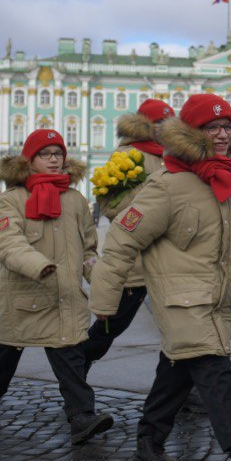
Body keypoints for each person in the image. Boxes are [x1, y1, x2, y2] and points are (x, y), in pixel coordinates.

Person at [88, 94, 231, 461]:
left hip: (215, 294)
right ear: (191, 134)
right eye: (212, 128)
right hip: (178, 297)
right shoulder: (167, 186)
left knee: (177, 370)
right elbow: (122, 241)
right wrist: (105, 303)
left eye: (227, 127)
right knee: (214, 368)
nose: (222, 135)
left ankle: (148, 445)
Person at [0, 129, 113, 445]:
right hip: (22, 296)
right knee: (5, 357)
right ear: (30, 159)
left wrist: (102, 280)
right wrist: (38, 265)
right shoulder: (12, 200)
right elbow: (8, 243)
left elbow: (89, 249)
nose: (54, 159)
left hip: (64, 296)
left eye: (58, 153)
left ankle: (81, 417)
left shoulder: (76, 200)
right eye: (45, 154)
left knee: (70, 358)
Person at [81, 99, 174, 370]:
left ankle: (181, 395)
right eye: (159, 123)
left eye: (169, 123)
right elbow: (110, 204)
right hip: (135, 263)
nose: (165, 129)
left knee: (178, 330)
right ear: (144, 125)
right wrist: (153, 210)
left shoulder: (173, 156)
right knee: (110, 328)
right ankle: (75, 369)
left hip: (168, 261)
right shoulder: (128, 155)